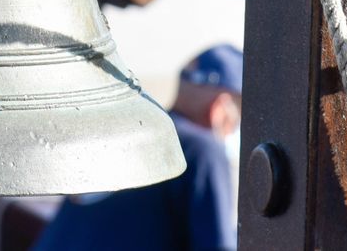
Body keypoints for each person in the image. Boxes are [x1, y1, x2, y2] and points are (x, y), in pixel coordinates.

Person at [32, 44, 243, 251]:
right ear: (220, 111)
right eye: (240, 119)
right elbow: (219, 245)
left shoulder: (126, 133)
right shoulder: (202, 149)